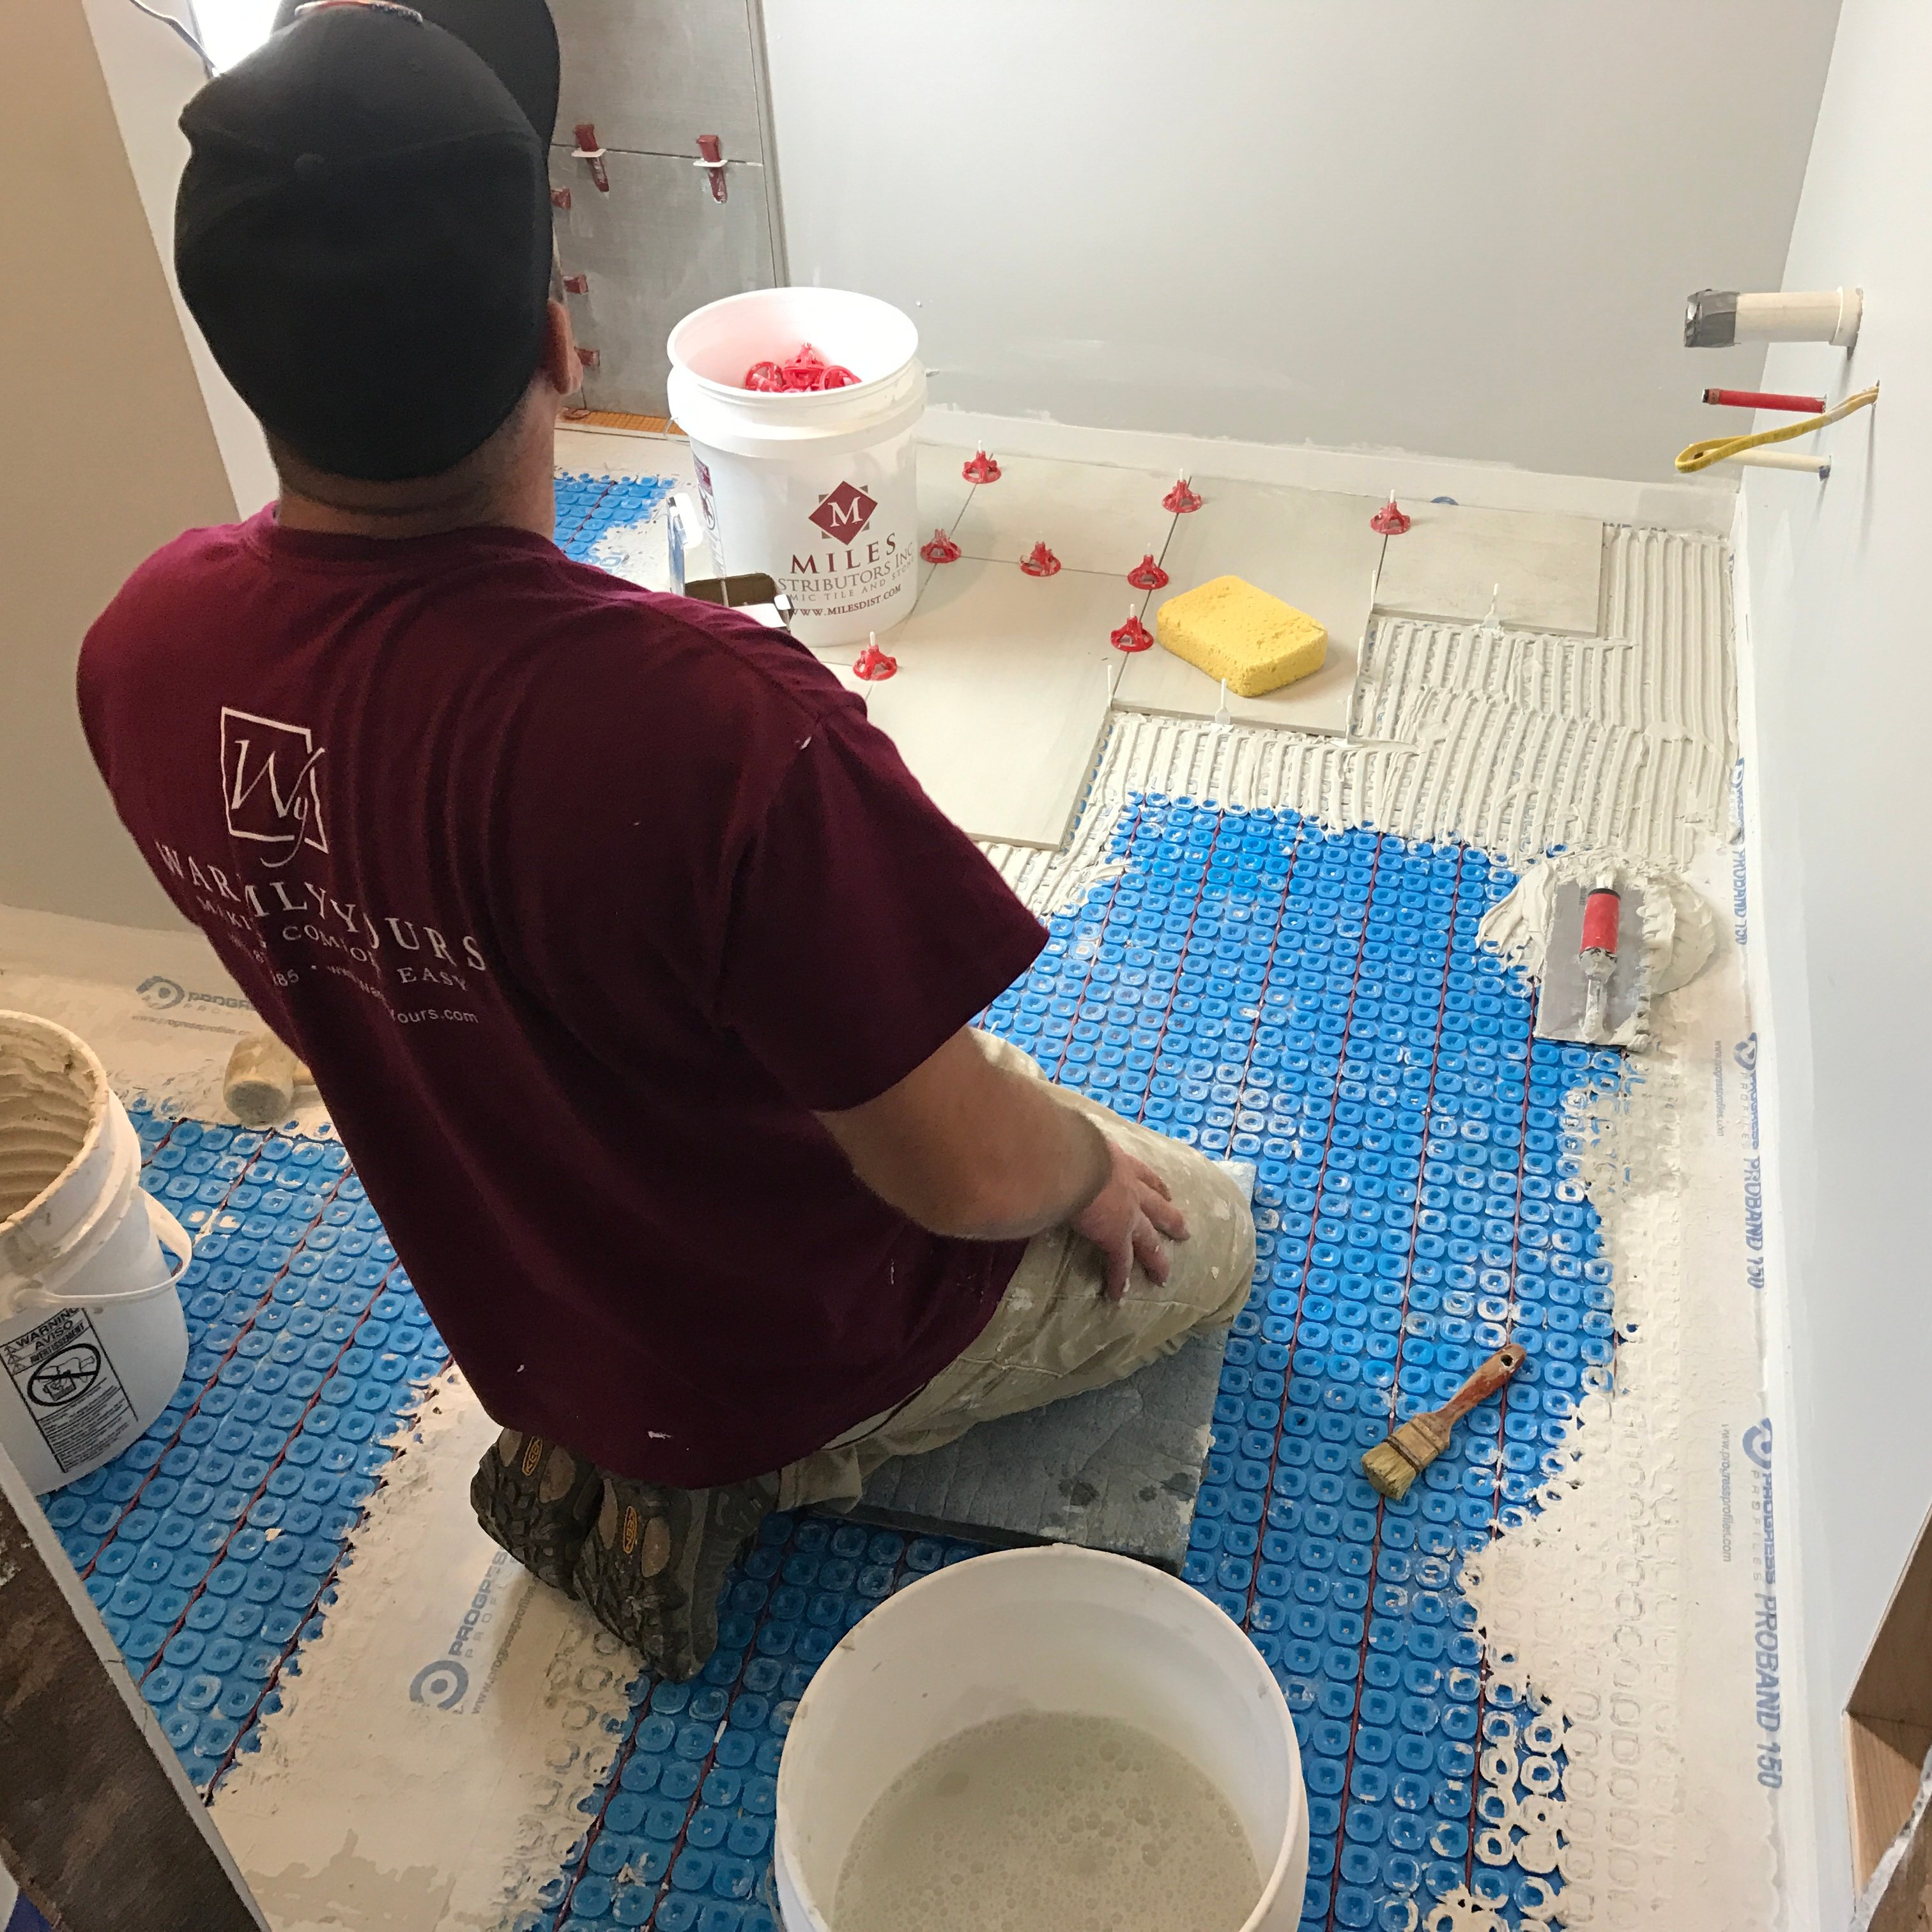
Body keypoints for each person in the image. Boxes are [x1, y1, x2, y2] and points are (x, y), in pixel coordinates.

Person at [77, 0, 1254, 1680]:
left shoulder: (142, 652)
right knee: (1187, 1224)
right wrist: (1078, 1166)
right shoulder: (714, 731)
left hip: (527, 1315)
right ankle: (764, 1454)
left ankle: (624, 1423)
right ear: (563, 342)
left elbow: (357, 981)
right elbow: (964, 1171)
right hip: (781, 1338)